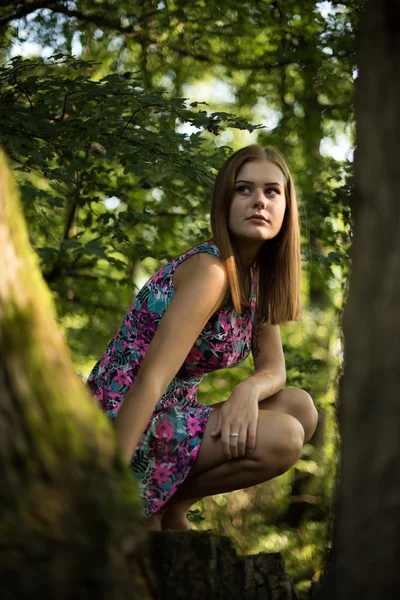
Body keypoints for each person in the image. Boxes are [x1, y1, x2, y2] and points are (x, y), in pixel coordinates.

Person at [87, 144, 318, 531]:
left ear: (286, 205)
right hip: (123, 416)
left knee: (300, 407)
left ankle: (168, 506)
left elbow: (274, 368)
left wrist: (247, 391)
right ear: (224, 202)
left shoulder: (256, 278)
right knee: (285, 436)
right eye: (244, 189)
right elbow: (152, 379)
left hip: (170, 414)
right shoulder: (212, 271)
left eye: (271, 191)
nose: (259, 201)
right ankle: (132, 499)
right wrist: (106, 482)